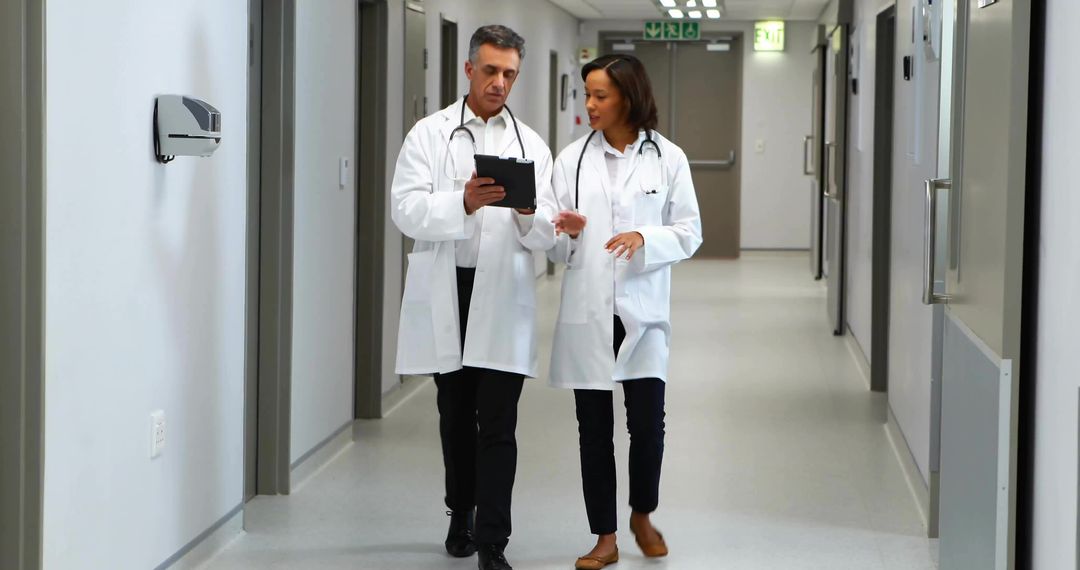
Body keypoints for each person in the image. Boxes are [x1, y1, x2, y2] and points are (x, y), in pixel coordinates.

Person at [389, 25, 555, 570]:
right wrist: (460, 201)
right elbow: (405, 210)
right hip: (449, 290)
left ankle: (492, 542)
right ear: (468, 70)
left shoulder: (531, 144)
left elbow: (548, 233)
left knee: (499, 421)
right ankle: (459, 513)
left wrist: (533, 216)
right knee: (455, 415)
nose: (500, 83)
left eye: (510, 74)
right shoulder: (429, 135)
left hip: (503, 294)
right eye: (490, 71)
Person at [545, 54, 703, 570]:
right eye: (586, 95)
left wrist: (645, 237)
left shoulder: (668, 158)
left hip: (643, 310)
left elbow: (689, 233)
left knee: (648, 427)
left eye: (600, 96)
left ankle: (642, 513)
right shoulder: (570, 160)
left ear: (628, 98)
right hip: (589, 308)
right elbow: (552, 237)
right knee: (593, 430)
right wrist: (561, 233)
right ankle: (605, 538)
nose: (589, 105)